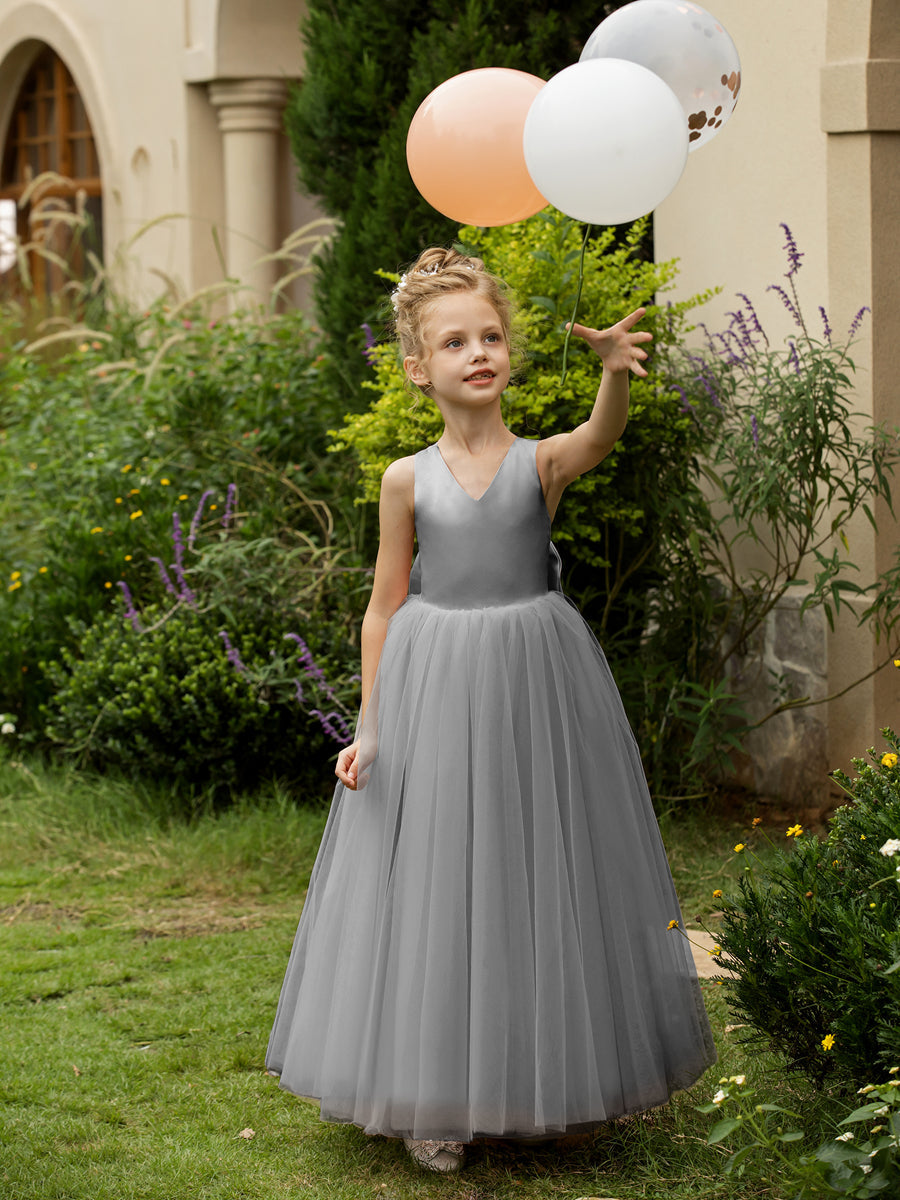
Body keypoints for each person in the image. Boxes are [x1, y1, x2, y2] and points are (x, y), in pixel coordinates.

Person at [266, 247, 716, 1174]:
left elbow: (600, 439)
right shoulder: (407, 479)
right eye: (455, 341)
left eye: (492, 336)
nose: (479, 352)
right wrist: (371, 728)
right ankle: (436, 1093)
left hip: (534, 681)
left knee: (538, 868)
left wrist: (610, 376)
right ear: (416, 367)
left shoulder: (538, 462)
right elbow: (385, 605)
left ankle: (553, 1081)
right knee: (440, 879)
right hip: (433, 684)